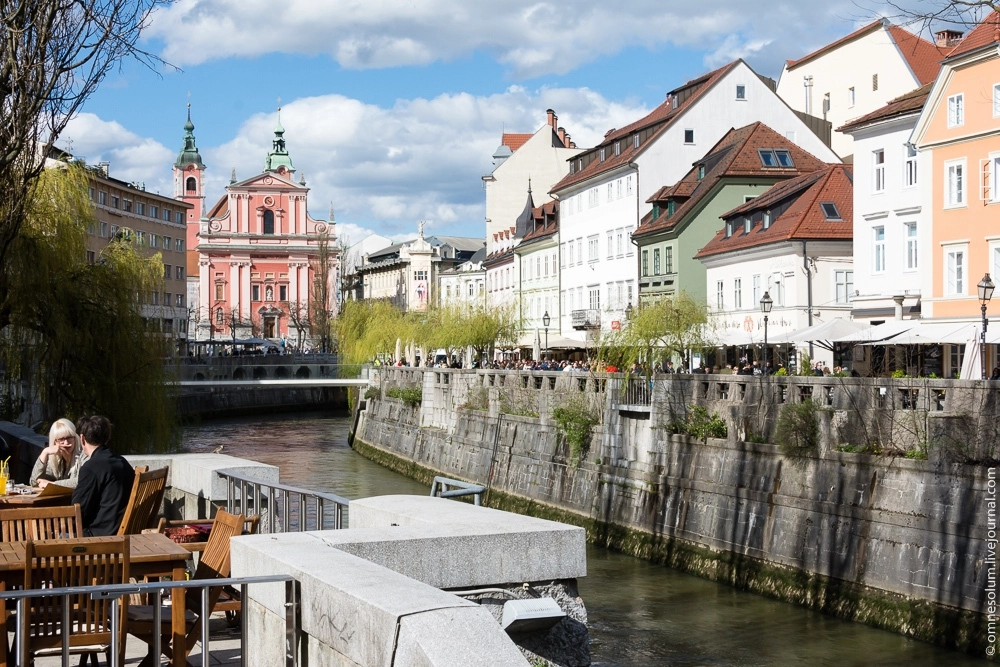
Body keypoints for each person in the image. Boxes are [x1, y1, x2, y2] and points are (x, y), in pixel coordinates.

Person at [72, 416, 135, 537]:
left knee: (49, 533)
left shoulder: (91, 467)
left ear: (82, 438)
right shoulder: (122, 462)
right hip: (119, 531)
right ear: (108, 437)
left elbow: (77, 511)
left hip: (98, 536)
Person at [30, 418, 89, 489]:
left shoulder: (84, 455)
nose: (66, 443)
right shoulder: (55, 459)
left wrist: (52, 484)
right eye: (61, 439)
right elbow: (34, 482)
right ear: (54, 442)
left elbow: (82, 481)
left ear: (75, 438)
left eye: (69, 438)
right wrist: (44, 453)